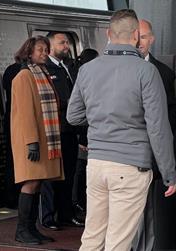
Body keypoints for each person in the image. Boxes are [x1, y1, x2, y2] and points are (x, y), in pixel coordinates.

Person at [67, 9, 176, 250]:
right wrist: (169, 173)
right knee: (119, 242)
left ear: (108, 33)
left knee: (92, 237)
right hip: (130, 166)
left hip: (95, 165)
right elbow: (158, 127)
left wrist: (101, 110)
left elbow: (73, 116)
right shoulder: (146, 71)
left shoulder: (87, 69)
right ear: (136, 35)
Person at [11, 36, 64, 245]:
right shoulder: (24, 76)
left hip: (43, 140)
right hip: (30, 140)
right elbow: (25, 112)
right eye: (40, 50)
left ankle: (31, 229)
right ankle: (21, 230)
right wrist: (32, 141)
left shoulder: (41, 73)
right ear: (29, 52)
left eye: (46, 49)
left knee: (38, 183)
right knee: (30, 183)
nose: (44, 53)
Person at [131, 19, 176, 251]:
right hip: (121, 157)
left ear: (153, 39)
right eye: (137, 36)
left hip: (150, 158)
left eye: (145, 36)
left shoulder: (165, 74)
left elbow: (168, 120)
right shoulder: (117, 69)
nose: (140, 42)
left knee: (147, 216)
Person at [40, 31, 84, 230]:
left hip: (70, 129)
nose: (66, 46)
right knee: (51, 177)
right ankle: (48, 217)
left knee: (70, 173)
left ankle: (66, 214)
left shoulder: (71, 67)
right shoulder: (44, 69)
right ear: (50, 46)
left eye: (67, 42)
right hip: (53, 130)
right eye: (62, 43)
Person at [70, 48, 99, 214]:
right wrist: (82, 139)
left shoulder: (79, 74)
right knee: (80, 173)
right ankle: (78, 202)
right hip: (83, 136)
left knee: (80, 173)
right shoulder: (87, 77)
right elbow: (77, 113)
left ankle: (79, 202)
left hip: (83, 134)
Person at [2, 61, 22, 209]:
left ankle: (12, 197)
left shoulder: (11, 70)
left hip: (10, 119)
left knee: (12, 160)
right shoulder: (22, 72)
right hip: (18, 120)